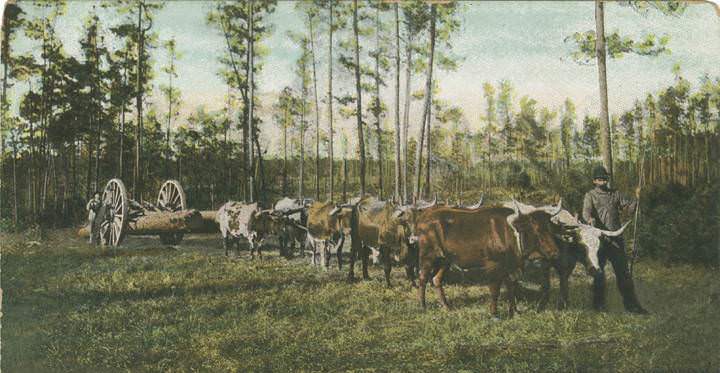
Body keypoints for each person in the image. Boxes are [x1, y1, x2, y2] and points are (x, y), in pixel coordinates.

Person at [582, 165, 649, 315]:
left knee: (624, 274)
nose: (602, 181)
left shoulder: (615, 194)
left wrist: (637, 198)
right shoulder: (590, 196)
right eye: (599, 179)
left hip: (616, 240)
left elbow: (630, 207)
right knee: (598, 275)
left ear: (607, 179)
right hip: (599, 241)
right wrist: (590, 220)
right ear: (594, 181)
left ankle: (633, 307)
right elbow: (586, 213)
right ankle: (598, 307)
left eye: (604, 179)